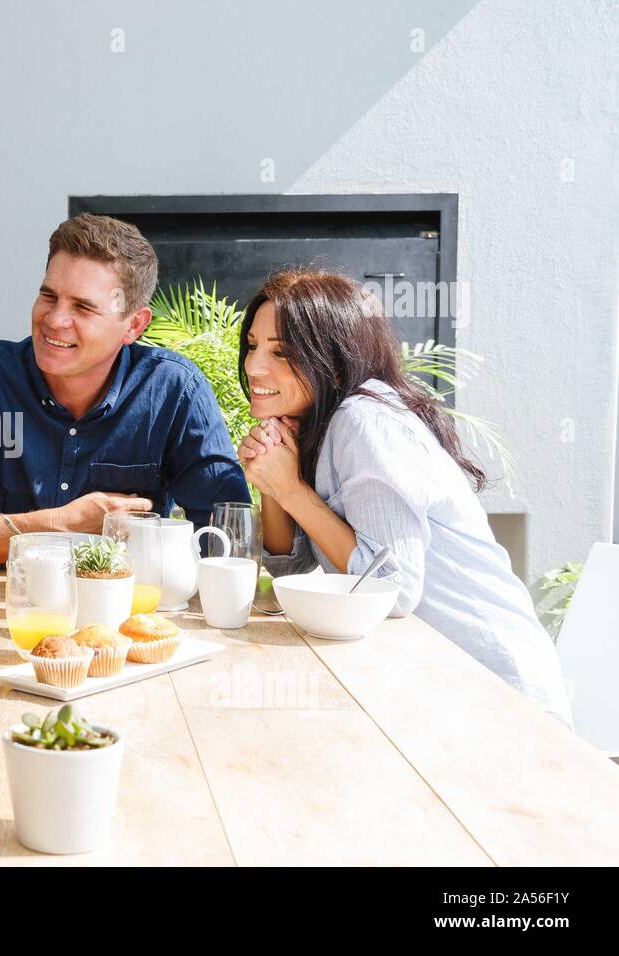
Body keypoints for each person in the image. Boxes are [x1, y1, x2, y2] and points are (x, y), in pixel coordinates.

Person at [237, 268, 571, 724]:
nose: (254, 366)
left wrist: (290, 489)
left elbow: (391, 589)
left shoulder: (364, 420)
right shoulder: (320, 422)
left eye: (282, 352)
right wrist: (275, 482)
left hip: (496, 689)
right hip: (426, 678)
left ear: (333, 359)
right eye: (253, 346)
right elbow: (289, 568)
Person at [0, 212, 248, 567]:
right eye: (49, 296)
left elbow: (230, 540)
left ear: (134, 326)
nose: (54, 319)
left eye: (82, 307)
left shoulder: (175, 391)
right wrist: (56, 525)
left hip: (120, 613)